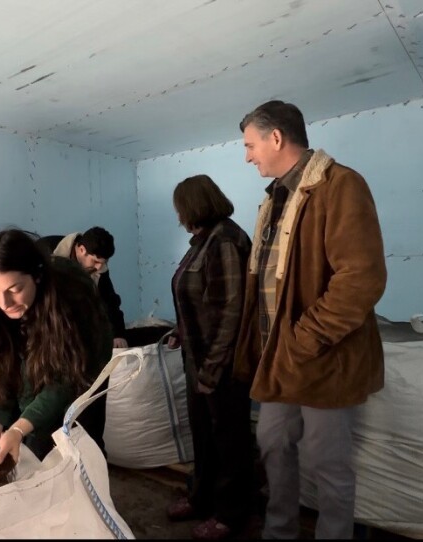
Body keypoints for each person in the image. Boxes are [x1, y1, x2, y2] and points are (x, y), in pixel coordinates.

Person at [234, 100, 387, 539]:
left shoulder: (341, 185)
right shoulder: (275, 199)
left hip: (321, 358)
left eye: (250, 145)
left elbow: (361, 277)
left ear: (276, 138)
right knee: (273, 445)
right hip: (280, 359)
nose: (248, 156)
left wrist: (304, 340)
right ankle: (279, 533)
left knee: (327, 462)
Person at [0, 229, 113, 474]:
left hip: (82, 374)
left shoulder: (72, 296)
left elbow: (65, 381)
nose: (4, 303)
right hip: (33, 372)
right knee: (25, 450)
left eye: (15, 289)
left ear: (37, 276)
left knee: (77, 451)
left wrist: (20, 428)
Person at [165, 175, 254, 540]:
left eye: (180, 208)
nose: (178, 216)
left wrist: (211, 369)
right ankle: (201, 498)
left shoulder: (226, 241)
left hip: (223, 364)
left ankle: (232, 515)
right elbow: (196, 300)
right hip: (197, 358)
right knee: (203, 434)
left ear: (193, 205)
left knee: (229, 439)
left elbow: (230, 310)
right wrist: (179, 331)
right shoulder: (202, 242)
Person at [37, 227, 128, 348]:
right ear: (81, 250)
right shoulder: (44, 252)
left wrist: (118, 334)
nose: (100, 267)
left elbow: (109, 301)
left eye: (104, 262)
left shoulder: (99, 268)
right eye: (95, 261)